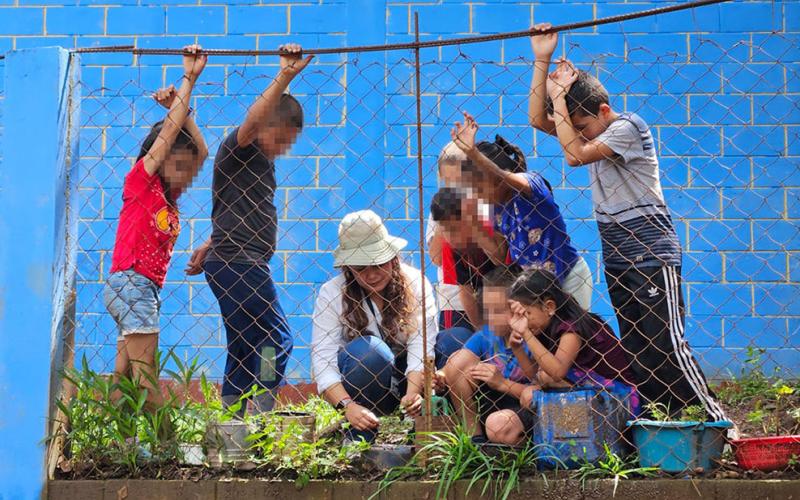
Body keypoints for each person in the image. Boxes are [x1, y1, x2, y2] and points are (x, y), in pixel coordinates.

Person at [528, 23, 727, 421]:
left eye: (582, 125)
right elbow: (538, 120)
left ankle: (716, 420)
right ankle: (663, 421)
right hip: (618, 255)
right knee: (638, 347)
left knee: (666, 342)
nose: (577, 133)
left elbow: (573, 155)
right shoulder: (587, 131)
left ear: (602, 111)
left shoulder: (628, 127)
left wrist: (561, 97)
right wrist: (542, 61)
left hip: (651, 253)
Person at [185, 43, 312, 414]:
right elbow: (254, 120)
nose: (286, 147)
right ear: (268, 126)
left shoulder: (260, 162)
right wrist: (284, 75)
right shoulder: (240, 147)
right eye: (284, 137)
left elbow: (231, 207)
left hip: (230, 260)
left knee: (242, 346)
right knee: (276, 338)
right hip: (241, 263)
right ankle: (261, 414)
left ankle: (232, 426)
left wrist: (210, 243)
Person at [104, 45, 208, 408]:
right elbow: (167, 140)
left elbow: (203, 152)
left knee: (125, 376)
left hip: (140, 287)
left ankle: (116, 446)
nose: (186, 173)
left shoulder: (167, 198)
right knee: (147, 379)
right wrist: (189, 80)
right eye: (179, 164)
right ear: (160, 158)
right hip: (132, 282)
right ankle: (168, 447)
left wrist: (184, 108)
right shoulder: (141, 182)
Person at [311, 210, 473, 442]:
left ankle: (441, 434)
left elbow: (422, 343)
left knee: (456, 339)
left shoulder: (416, 282)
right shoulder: (332, 293)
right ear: (348, 268)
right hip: (365, 380)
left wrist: (413, 394)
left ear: (393, 257)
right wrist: (347, 406)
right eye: (360, 268)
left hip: (412, 376)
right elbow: (323, 361)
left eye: (378, 264)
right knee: (370, 351)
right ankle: (360, 435)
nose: (371, 275)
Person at [450, 119, 593, 311]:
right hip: (535, 289)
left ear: (500, 179)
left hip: (568, 277)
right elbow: (501, 258)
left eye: (479, 187)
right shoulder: (493, 208)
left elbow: (508, 177)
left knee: (573, 333)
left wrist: (473, 154)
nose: (476, 195)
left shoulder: (531, 187)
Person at [495, 268, 640, 445]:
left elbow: (556, 372)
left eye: (526, 314)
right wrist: (517, 347)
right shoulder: (545, 328)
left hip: (618, 398)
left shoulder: (572, 327)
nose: (521, 321)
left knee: (540, 384)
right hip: (588, 394)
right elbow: (534, 376)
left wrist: (526, 333)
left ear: (549, 307)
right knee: (534, 387)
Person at [442, 265, 535, 445]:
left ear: (519, 308)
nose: (491, 318)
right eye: (488, 310)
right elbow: (457, 364)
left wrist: (502, 384)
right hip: (491, 404)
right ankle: (474, 438)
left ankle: (527, 446)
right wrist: (439, 376)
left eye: (499, 311)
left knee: (504, 422)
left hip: (522, 409)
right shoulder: (487, 335)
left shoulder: (534, 340)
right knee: (457, 361)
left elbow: (537, 395)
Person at [430, 186, 502, 328]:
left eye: (457, 229)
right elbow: (465, 291)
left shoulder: (492, 229)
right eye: (446, 230)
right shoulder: (452, 246)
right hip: (478, 307)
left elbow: (501, 260)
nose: (452, 237)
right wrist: (481, 332)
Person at [427, 142, 473, 331]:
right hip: (455, 302)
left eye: (460, 181)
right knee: (454, 349)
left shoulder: (488, 204)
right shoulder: (438, 211)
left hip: (492, 300)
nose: (455, 188)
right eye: (448, 181)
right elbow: (436, 258)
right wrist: (443, 218)